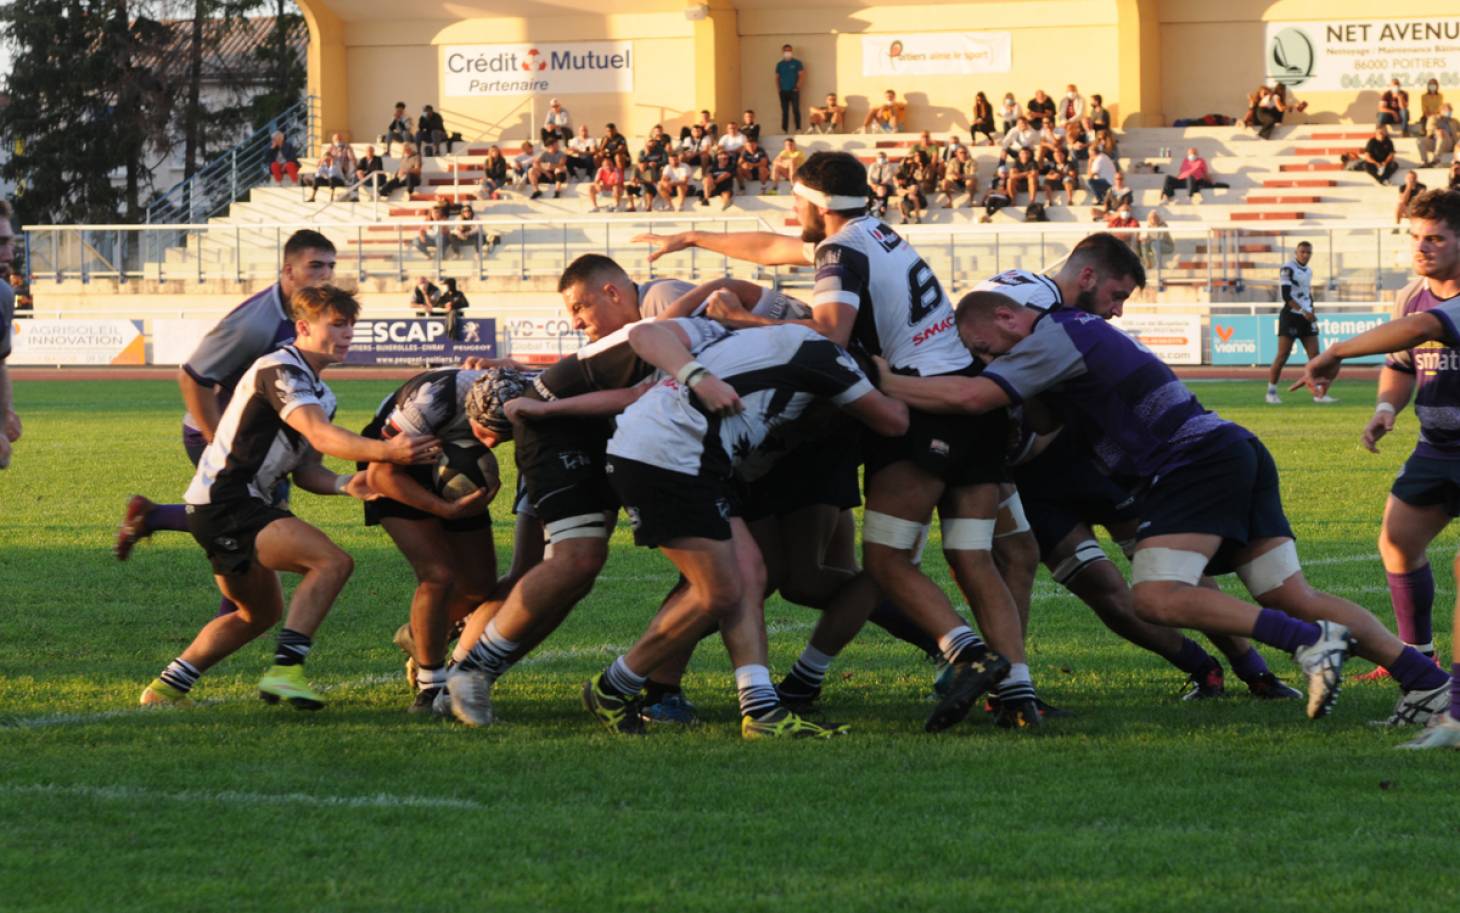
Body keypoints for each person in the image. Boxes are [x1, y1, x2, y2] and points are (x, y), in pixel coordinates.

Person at [878, 290, 1453, 726]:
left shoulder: (1048, 335)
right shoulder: (1072, 337)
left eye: (985, 347)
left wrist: (884, 383)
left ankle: (1308, 643)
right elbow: (1048, 428)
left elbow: (973, 395)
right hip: (1231, 447)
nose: (989, 359)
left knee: (1154, 596)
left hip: (1193, 461)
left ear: (1007, 318)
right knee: (1292, 594)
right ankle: (1428, 685)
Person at [630, 151, 1048, 731]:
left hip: (922, 407)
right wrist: (694, 235)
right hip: (969, 405)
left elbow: (829, 333)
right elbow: (773, 246)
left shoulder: (840, 248)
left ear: (815, 203)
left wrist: (739, 321)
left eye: (794, 200)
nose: (788, 212)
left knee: (885, 559)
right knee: (974, 558)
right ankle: (1018, 697)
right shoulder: (871, 232)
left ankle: (967, 652)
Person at [974, 239, 1300, 702]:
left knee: (1172, 567)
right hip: (1033, 482)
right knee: (1104, 592)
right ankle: (1199, 667)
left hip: (1094, 462)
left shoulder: (1060, 318)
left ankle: (1254, 670)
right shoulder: (982, 338)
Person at [581, 318, 908, 739]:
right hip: (670, 453)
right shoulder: (831, 357)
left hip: (686, 455)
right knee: (720, 591)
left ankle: (760, 711)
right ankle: (613, 687)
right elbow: (893, 421)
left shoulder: (763, 338)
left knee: (752, 573)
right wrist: (889, 380)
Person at [138, 285, 440, 709]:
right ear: (302, 326)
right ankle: (286, 670)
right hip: (230, 502)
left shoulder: (322, 393)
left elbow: (306, 469)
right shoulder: (279, 368)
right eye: (336, 324)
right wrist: (388, 452)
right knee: (332, 562)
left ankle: (166, 688)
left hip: (228, 507)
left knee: (255, 615)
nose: (347, 333)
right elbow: (319, 434)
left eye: (351, 325)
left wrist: (343, 484)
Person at [440, 255, 703, 727]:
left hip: (602, 429)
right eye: (574, 311)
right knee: (575, 560)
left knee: (578, 575)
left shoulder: (658, 305)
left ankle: (466, 671)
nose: (578, 323)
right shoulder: (663, 301)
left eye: (579, 309)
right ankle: (465, 669)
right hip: (560, 427)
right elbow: (638, 388)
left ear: (613, 294)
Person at [1291, 189, 1460, 747]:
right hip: (1438, 446)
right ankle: (1421, 666)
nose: (1422, 248)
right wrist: (1387, 407)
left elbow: (1419, 333)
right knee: (1397, 543)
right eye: (1414, 237)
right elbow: (1403, 361)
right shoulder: (1411, 295)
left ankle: (1453, 710)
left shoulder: (1435, 309)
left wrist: (1335, 352)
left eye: (1435, 237)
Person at [115, 229, 339, 615]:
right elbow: (191, 377)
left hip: (257, 441)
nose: (325, 276)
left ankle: (153, 517)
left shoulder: (303, 315)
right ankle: (233, 618)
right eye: (314, 266)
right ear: (288, 272)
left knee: (244, 526)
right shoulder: (256, 322)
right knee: (251, 526)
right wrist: (219, 439)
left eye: (331, 267)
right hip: (219, 434)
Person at [358, 366, 528, 712]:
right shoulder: (432, 400)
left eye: (503, 435)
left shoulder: (521, 391)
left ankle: (422, 633)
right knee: (437, 575)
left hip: (455, 464)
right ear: (471, 410)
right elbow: (380, 474)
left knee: (479, 588)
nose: (492, 443)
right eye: (487, 431)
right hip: (394, 464)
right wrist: (443, 509)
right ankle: (430, 684)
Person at [1261, 242, 1334, 405]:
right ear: (1296, 252)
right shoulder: (1287, 268)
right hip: (1291, 317)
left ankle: (1318, 394)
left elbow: (1307, 293)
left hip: (1306, 318)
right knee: (1282, 356)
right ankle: (1271, 392)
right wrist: (1303, 312)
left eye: (1308, 252)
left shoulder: (1308, 271)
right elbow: (1286, 296)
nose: (1305, 255)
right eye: (1302, 252)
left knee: (1316, 357)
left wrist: (1312, 311)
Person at [0, 201, 18, 471]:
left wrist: (5, 416)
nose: (9, 254)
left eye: (10, 243)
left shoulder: (4, 295)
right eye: (0, 243)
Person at [775, 44, 805, 133]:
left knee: (796, 109)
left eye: (789, 51)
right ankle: (784, 129)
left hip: (794, 91)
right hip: (783, 91)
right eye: (786, 51)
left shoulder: (797, 63)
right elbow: (777, 77)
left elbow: (801, 76)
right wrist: (779, 89)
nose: (788, 52)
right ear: (783, 52)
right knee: (785, 111)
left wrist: (797, 87)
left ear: (792, 51)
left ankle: (798, 128)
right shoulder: (780, 64)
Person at [1419, 103, 1457, 168]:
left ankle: (1435, 160)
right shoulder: (1433, 118)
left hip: (1449, 143)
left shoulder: (1454, 121)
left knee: (1443, 133)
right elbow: (1429, 127)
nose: (1449, 112)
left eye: (1450, 111)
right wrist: (1436, 131)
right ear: (1441, 111)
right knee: (1419, 141)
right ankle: (1424, 161)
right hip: (1434, 142)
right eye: (1447, 110)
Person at [867, 150, 897, 218]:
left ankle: (882, 210)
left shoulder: (889, 166)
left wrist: (879, 186)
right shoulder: (873, 165)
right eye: (879, 157)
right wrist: (873, 185)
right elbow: (869, 178)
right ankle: (870, 208)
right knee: (868, 190)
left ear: (885, 157)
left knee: (882, 190)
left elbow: (888, 178)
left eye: (882, 157)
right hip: (874, 185)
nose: (881, 158)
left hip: (886, 185)